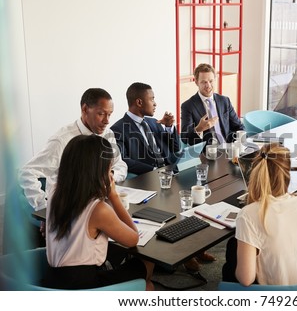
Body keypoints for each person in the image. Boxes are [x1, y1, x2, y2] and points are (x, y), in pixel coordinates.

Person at [43, 135, 154, 290]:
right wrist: (113, 196)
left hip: (54, 277)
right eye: (110, 168)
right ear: (98, 171)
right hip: (84, 286)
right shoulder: (98, 209)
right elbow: (133, 239)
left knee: (117, 256)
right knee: (147, 268)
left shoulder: (55, 191)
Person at [223, 143, 297, 286]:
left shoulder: (248, 214)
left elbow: (246, 279)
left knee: (231, 260)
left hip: (280, 296)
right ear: (288, 172)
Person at [18, 88, 127, 212]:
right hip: (71, 208)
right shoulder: (62, 140)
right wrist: (44, 209)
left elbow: (121, 166)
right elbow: (27, 172)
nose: (107, 121)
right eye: (101, 114)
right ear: (85, 109)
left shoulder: (108, 134)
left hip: (101, 203)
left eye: (110, 114)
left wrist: (109, 176)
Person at [110, 82, 180, 175]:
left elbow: (175, 148)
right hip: (147, 178)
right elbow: (123, 160)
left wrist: (168, 127)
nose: (155, 104)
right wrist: (154, 170)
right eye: (152, 99)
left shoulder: (155, 123)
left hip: (171, 174)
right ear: (139, 102)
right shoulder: (117, 129)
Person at [180, 63, 244, 146]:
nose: (208, 85)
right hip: (207, 152)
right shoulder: (188, 106)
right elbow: (185, 138)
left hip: (229, 147)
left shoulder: (224, 101)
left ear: (215, 79)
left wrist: (237, 144)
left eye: (211, 81)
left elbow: (239, 127)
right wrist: (199, 129)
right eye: (203, 82)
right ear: (196, 82)